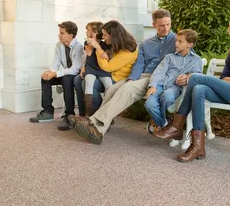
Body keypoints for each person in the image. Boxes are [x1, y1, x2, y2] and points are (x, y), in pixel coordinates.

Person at [154, 14, 230, 162]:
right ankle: (198, 147)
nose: (228, 30)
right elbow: (225, 78)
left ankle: (177, 125)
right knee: (199, 89)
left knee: (196, 78)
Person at [71, 9, 176, 145]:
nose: (166, 28)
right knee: (112, 89)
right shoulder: (147, 43)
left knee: (127, 89)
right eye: (162, 25)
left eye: (168, 24)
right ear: (154, 24)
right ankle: (99, 130)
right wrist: (132, 78)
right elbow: (139, 63)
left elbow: (187, 59)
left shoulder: (177, 41)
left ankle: (92, 123)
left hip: (158, 78)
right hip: (142, 75)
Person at [29, 21, 85, 131]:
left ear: (71, 35)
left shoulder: (79, 48)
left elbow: (74, 70)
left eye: (62, 33)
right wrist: (49, 73)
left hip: (76, 75)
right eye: (59, 33)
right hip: (63, 74)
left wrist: (55, 73)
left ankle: (69, 115)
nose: (59, 35)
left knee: (67, 79)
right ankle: (48, 112)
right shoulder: (59, 45)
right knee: (45, 79)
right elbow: (55, 63)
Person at [144, 29, 203, 132]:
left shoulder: (196, 60)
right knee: (149, 104)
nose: (176, 43)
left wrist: (188, 76)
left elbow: (198, 75)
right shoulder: (169, 57)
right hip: (160, 85)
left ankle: (159, 123)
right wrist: (153, 85)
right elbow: (159, 72)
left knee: (167, 96)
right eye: (176, 40)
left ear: (190, 44)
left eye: (180, 41)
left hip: (175, 87)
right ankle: (163, 122)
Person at [74, 22, 113, 117]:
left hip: (102, 70)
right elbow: (89, 53)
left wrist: (96, 41)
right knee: (88, 83)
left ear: (96, 32)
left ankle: (108, 113)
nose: (86, 32)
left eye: (88, 30)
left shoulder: (105, 44)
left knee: (109, 86)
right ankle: (88, 112)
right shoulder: (87, 42)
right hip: (91, 68)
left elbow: (107, 57)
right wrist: (93, 39)